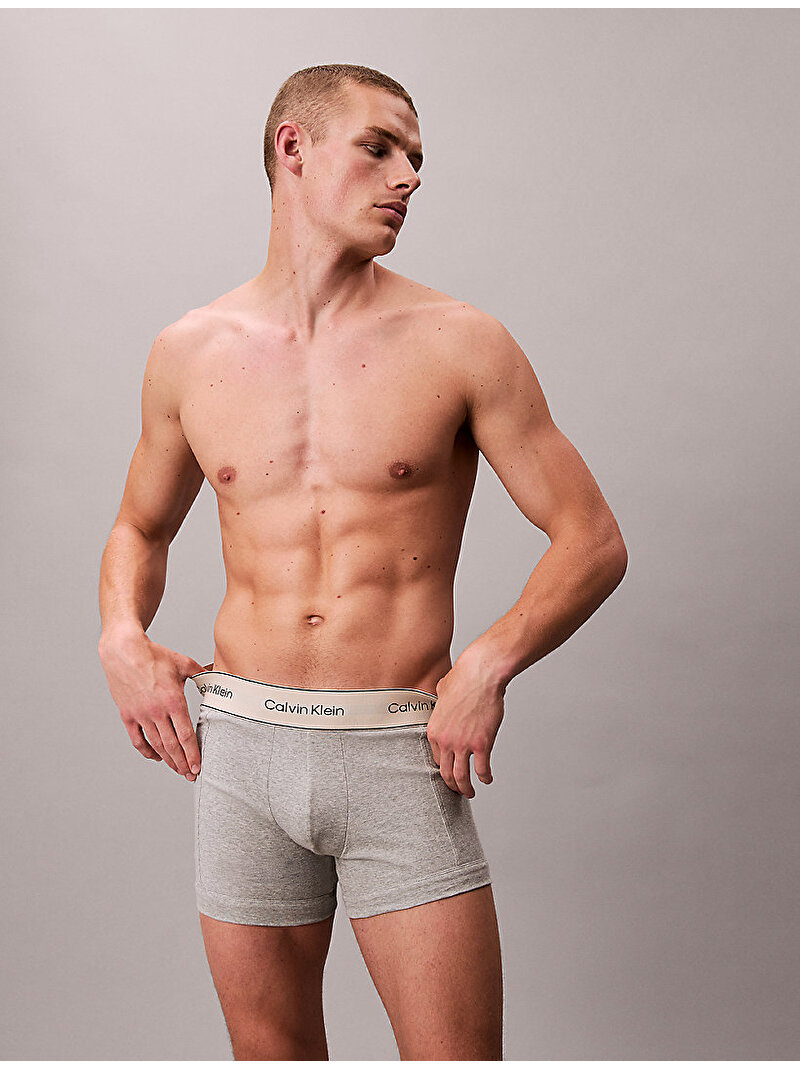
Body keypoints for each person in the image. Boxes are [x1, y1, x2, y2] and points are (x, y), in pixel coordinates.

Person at [97, 63, 627, 1061]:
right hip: (239, 754)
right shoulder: (190, 351)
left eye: (416, 159)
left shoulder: (462, 343)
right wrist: (122, 637)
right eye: (379, 148)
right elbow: (139, 528)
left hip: (397, 754)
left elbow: (591, 537)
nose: (408, 177)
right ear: (293, 148)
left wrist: (487, 663)